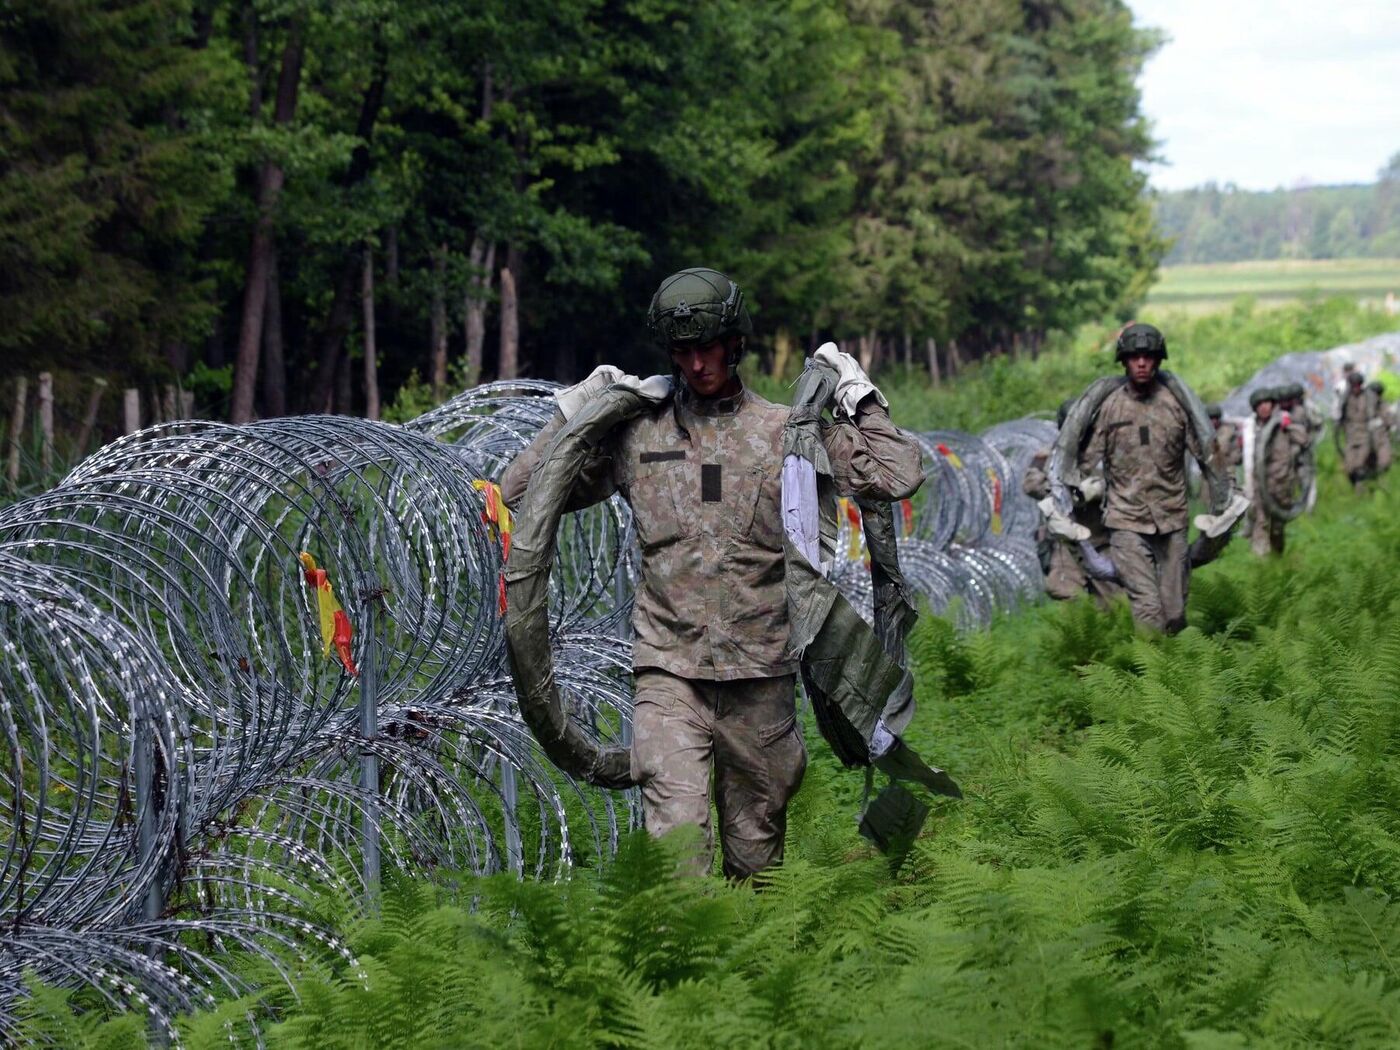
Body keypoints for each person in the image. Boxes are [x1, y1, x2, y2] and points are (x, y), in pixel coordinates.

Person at [498, 267, 925, 879]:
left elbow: (900, 472)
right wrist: (579, 412)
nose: (697, 365)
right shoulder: (637, 434)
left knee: (755, 862)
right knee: (677, 853)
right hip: (669, 676)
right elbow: (521, 491)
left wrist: (860, 397)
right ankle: (681, 970)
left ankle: (747, 971)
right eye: (682, 351)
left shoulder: (786, 434)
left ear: (735, 344)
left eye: (708, 348)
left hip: (762, 677)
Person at [1075, 322, 1207, 633]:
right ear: (1124, 361)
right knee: (1147, 608)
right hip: (1126, 521)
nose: (1142, 363)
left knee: (1174, 614)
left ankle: (1172, 675)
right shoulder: (1109, 406)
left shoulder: (1177, 405)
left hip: (1171, 519)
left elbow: (1206, 453)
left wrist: (1227, 495)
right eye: (1135, 357)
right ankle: (1149, 676)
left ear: (1159, 359)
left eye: (1148, 356)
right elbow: (1085, 459)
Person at [1022, 400, 1118, 603]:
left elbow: (1130, 485)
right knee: (1065, 594)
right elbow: (1030, 484)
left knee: (1114, 603)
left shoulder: (1107, 454)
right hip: (1066, 542)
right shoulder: (1049, 455)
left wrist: (1100, 489)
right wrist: (1060, 491)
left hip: (1102, 540)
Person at [1245, 387, 1309, 556]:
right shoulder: (1251, 428)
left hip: (1281, 486)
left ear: (1273, 404)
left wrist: (1290, 426)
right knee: (1261, 523)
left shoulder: (1283, 422)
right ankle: (1262, 565)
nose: (1264, 407)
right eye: (1260, 405)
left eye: (1267, 403)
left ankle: (1276, 559)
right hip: (1260, 486)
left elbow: (1304, 440)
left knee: (1277, 529)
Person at [1337, 370, 1379, 493]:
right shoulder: (1345, 397)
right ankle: (1356, 483)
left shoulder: (1368, 396)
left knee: (1359, 463)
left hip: (1365, 433)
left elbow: (1372, 414)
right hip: (1350, 434)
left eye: (1358, 385)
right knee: (1349, 466)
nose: (1355, 388)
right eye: (1353, 385)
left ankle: (1360, 488)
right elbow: (1341, 415)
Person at [1206, 403, 1242, 483]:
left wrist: (1226, 462)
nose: (1213, 421)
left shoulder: (1229, 431)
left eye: (1215, 418)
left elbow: (1236, 453)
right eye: (1210, 418)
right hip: (1208, 473)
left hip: (1227, 472)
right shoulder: (1204, 433)